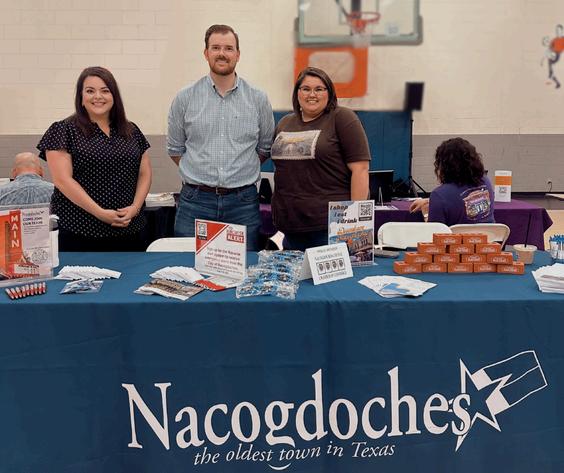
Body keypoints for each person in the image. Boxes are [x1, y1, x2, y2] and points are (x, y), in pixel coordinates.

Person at [167, 24, 274, 251]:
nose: (222, 53)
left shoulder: (258, 99)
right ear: (206, 53)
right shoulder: (185, 98)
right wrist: (199, 172)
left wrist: (240, 170)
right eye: (215, 48)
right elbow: (175, 149)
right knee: (187, 266)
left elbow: (265, 147)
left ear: (238, 54)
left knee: (246, 266)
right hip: (195, 202)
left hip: (243, 203)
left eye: (228, 48)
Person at [37, 66, 152, 252]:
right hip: (79, 231)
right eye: (90, 91)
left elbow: (144, 173)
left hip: (130, 229)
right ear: (81, 97)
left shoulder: (131, 130)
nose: (98, 96)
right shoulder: (63, 130)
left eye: (105, 91)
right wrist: (100, 213)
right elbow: (62, 180)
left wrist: (135, 207)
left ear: (114, 96)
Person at [270, 67, 371, 251]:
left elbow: (360, 170)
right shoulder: (284, 123)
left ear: (329, 92)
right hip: (290, 225)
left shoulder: (342, 118)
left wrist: (354, 221)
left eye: (319, 89)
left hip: (331, 227)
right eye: (306, 89)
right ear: (297, 93)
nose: (312, 94)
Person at [409, 137, 494, 226]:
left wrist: (426, 212)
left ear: (443, 165)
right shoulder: (486, 181)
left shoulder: (440, 194)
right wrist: (431, 201)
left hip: (456, 236)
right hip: (489, 234)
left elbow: (435, 231)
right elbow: (461, 199)